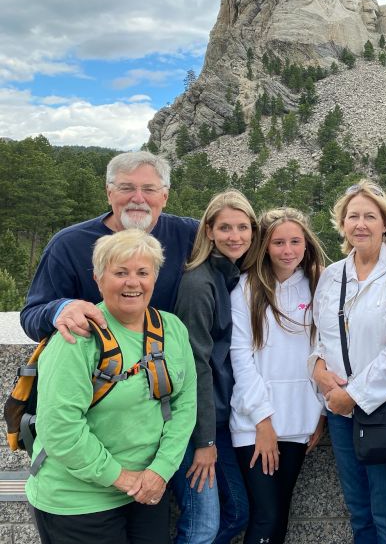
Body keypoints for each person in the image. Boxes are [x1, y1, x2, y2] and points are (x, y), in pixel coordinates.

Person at [26, 229, 197, 544]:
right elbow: (60, 428)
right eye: (120, 272)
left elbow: (184, 405)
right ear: (98, 278)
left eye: (143, 272)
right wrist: (123, 479)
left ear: (155, 278)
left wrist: (160, 470)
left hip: (145, 493)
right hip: (77, 500)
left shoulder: (171, 328)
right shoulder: (76, 339)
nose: (133, 282)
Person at [311, 180, 386, 543]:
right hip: (341, 413)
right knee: (359, 512)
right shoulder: (332, 276)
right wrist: (317, 367)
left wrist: (355, 394)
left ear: (384, 224)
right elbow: (321, 336)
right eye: (352, 217)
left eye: (369, 216)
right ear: (342, 224)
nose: (360, 224)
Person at [20, 151, 198, 343]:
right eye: (126, 188)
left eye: (149, 189)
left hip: (170, 365)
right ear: (109, 193)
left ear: (164, 196)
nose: (138, 198)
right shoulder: (68, 245)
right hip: (97, 368)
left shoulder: (190, 235)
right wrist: (60, 309)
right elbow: (31, 316)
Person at [229, 208, 328, 544]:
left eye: (295, 241)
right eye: (279, 242)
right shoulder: (246, 289)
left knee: (280, 514)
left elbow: (323, 354)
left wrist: (321, 413)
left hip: (300, 421)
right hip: (254, 424)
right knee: (265, 515)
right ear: (265, 246)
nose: (288, 250)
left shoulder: (319, 287)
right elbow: (241, 359)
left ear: (306, 243)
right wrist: (263, 422)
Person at [172, 190, 257, 544]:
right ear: (209, 231)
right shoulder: (199, 284)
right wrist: (204, 440)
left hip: (218, 419)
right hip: (194, 425)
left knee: (236, 513)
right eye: (225, 228)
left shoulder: (231, 276)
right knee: (205, 524)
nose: (234, 236)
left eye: (242, 227)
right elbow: (196, 366)